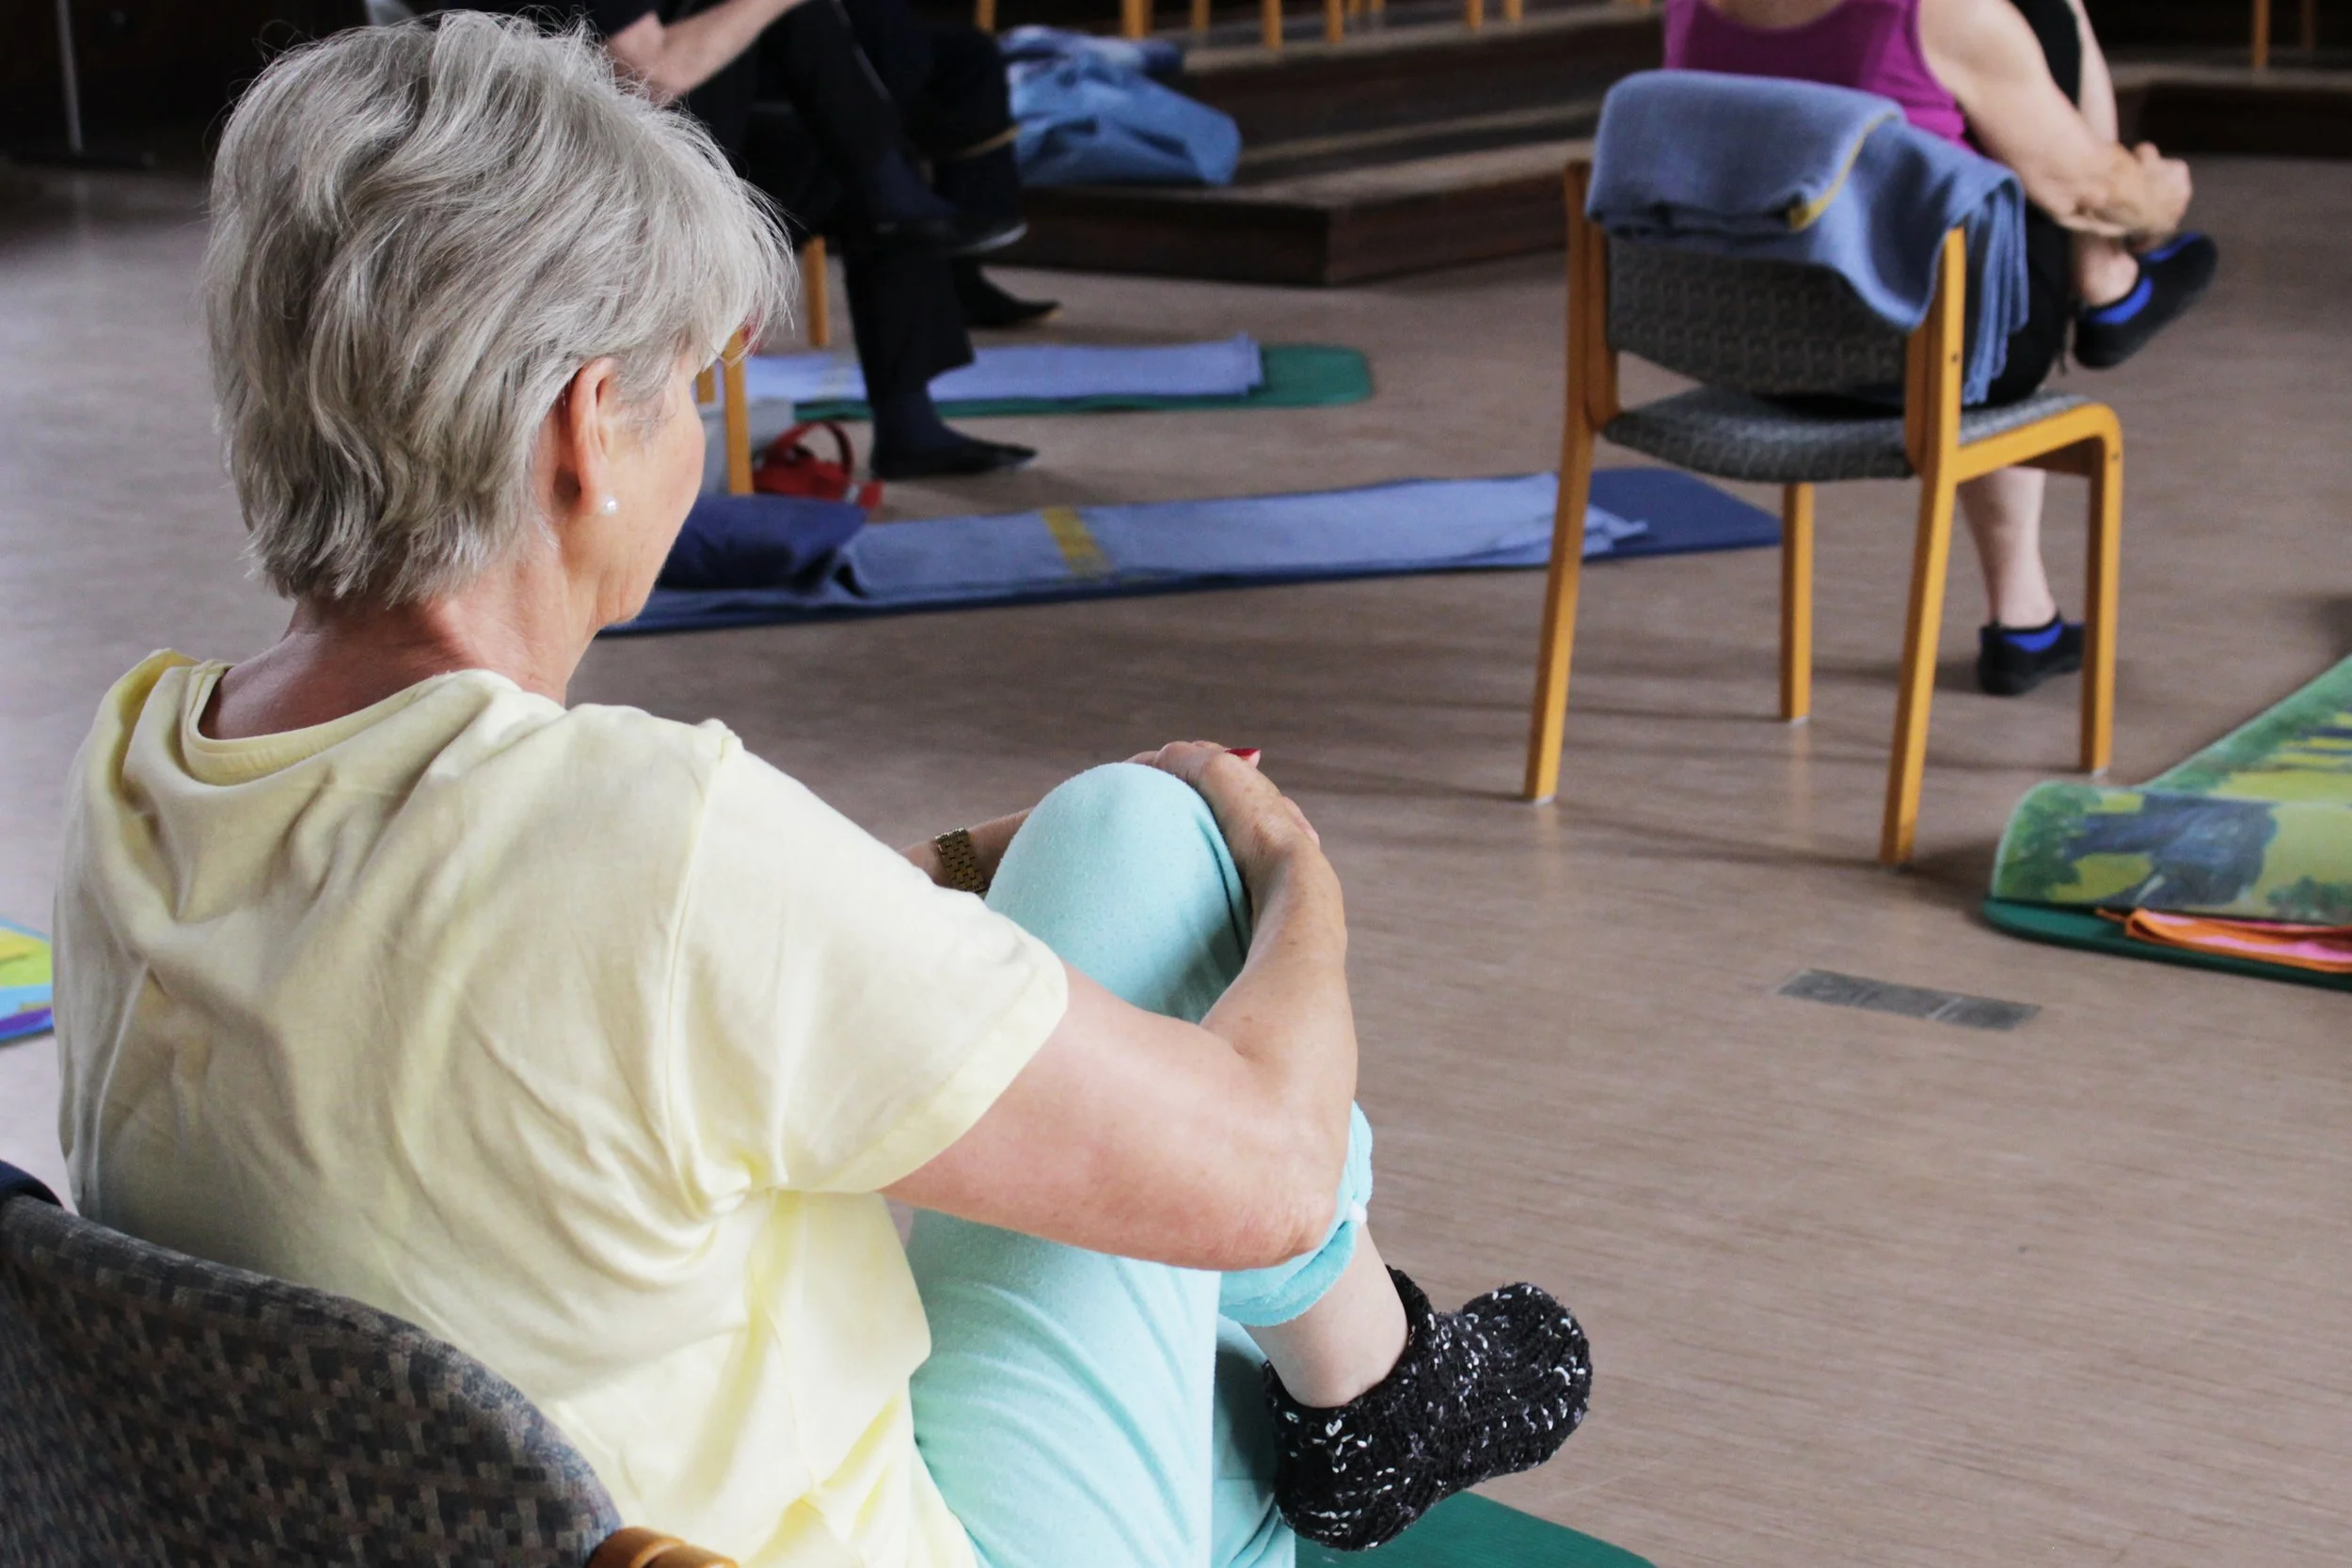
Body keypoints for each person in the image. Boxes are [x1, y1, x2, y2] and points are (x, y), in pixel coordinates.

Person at [50, 19, 1591, 1568]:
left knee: (1096, 845)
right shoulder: (649, 838)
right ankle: (1379, 1377)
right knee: (1152, 842)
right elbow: (1274, 1174)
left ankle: (1378, 1383)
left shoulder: (137, 769)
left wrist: (960, 858)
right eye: (685, 389)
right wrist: (1291, 871)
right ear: (588, 428)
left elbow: (557, 985)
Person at [1664, 0, 2218, 696]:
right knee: (2046, 22)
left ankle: (2024, 618)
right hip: (1918, 355)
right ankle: (2107, 279)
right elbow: (2099, 192)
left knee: (1961, 188)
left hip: (1760, 351)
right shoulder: (1943, 13)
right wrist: (2156, 198)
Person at [459, 0, 1041, 479]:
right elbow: (648, 72)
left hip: (642, 144)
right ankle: (909, 412)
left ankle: (894, 207)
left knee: (873, 164)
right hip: (576, 179)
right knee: (861, 172)